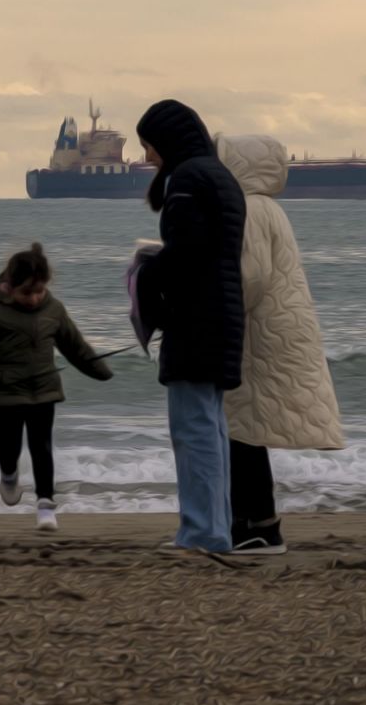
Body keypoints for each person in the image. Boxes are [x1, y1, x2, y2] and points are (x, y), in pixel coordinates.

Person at [214, 134, 345, 554]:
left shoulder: (250, 209)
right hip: (275, 329)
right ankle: (254, 523)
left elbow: (249, 279)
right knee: (248, 429)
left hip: (256, 335)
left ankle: (257, 526)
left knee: (243, 431)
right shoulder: (270, 207)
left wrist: (211, 309)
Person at [132, 100, 246, 553]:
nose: (146, 157)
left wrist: (146, 273)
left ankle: (201, 533)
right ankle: (215, 530)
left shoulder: (187, 179)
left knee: (193, 431)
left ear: (169, 139)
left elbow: (186, 254)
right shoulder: (218, 175)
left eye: (149, 145)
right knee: (211, 428)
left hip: (196, 318)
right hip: (220, 315)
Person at [0, 243, 113, 531]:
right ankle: (8, 475)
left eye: (39, 291)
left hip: (45, 390)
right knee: (9, 448)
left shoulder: (54, 310)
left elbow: (75, 346)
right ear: (9, 286)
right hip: (7, 393)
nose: (34, 298)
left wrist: (100, 370)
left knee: (42, 448)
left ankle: (45, 506)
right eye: (27, 292)